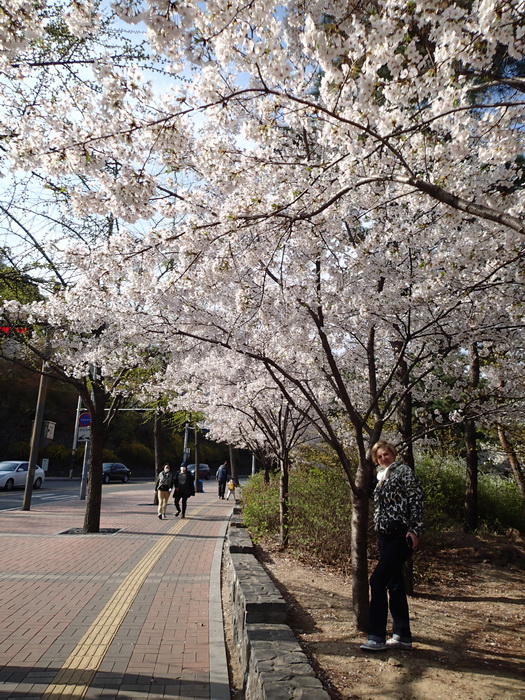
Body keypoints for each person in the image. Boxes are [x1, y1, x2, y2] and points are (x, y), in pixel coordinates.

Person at [360, 440, 424, 652]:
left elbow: (416, 498)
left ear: (393, 454)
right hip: (384, 535)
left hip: (400, 534)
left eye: (386, 454)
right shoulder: (380, 478)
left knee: (377, 580)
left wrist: (415, 529)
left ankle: (376, 636)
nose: (383, 458)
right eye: (379, 456)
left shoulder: (403, 472)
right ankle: (402, 635)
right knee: (394, 584)